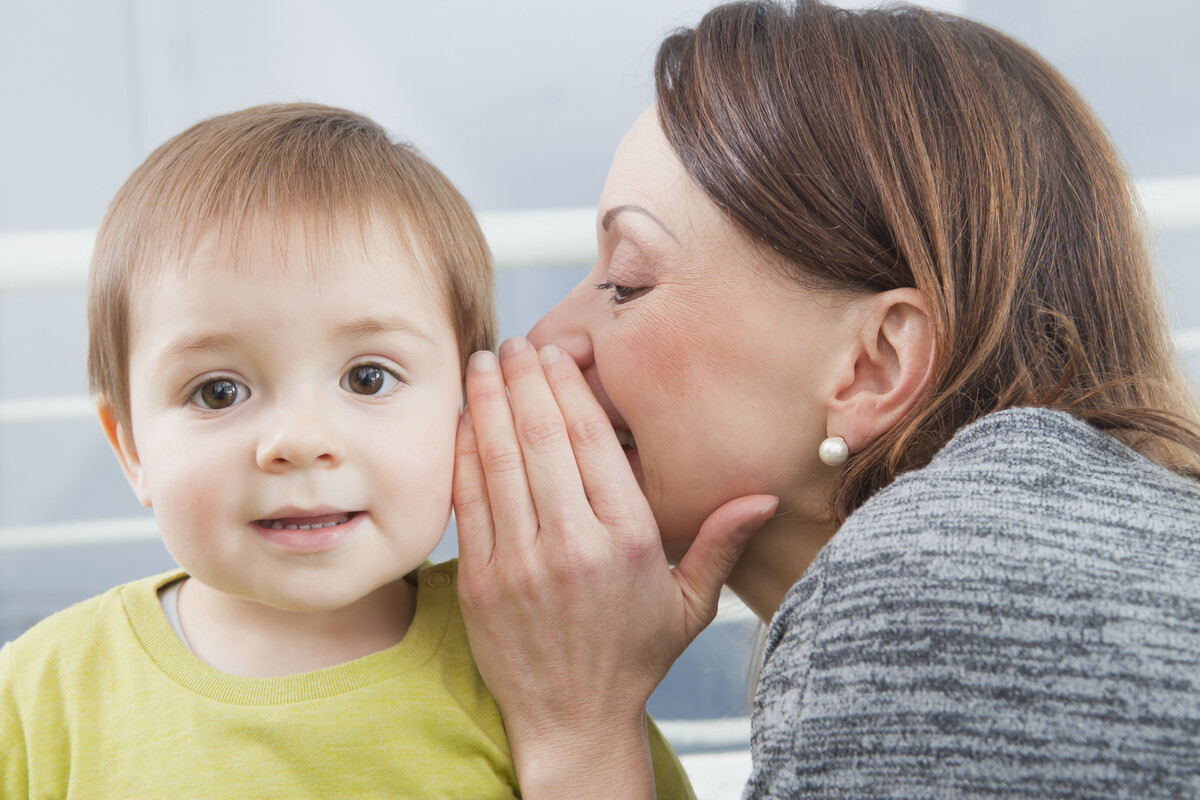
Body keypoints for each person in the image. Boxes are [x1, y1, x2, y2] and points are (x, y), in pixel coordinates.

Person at [452, 2, 1200, 797]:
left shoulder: (929, 595)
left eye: (627, 283)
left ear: (873, 366)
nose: (545, 338)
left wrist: (579, 727)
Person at [0, 103, 695, 799]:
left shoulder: (547, 656)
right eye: (217, 392)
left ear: (466, 410)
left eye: (368, 378)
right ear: (131, 450)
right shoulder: (35, 701)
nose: (299, 441)